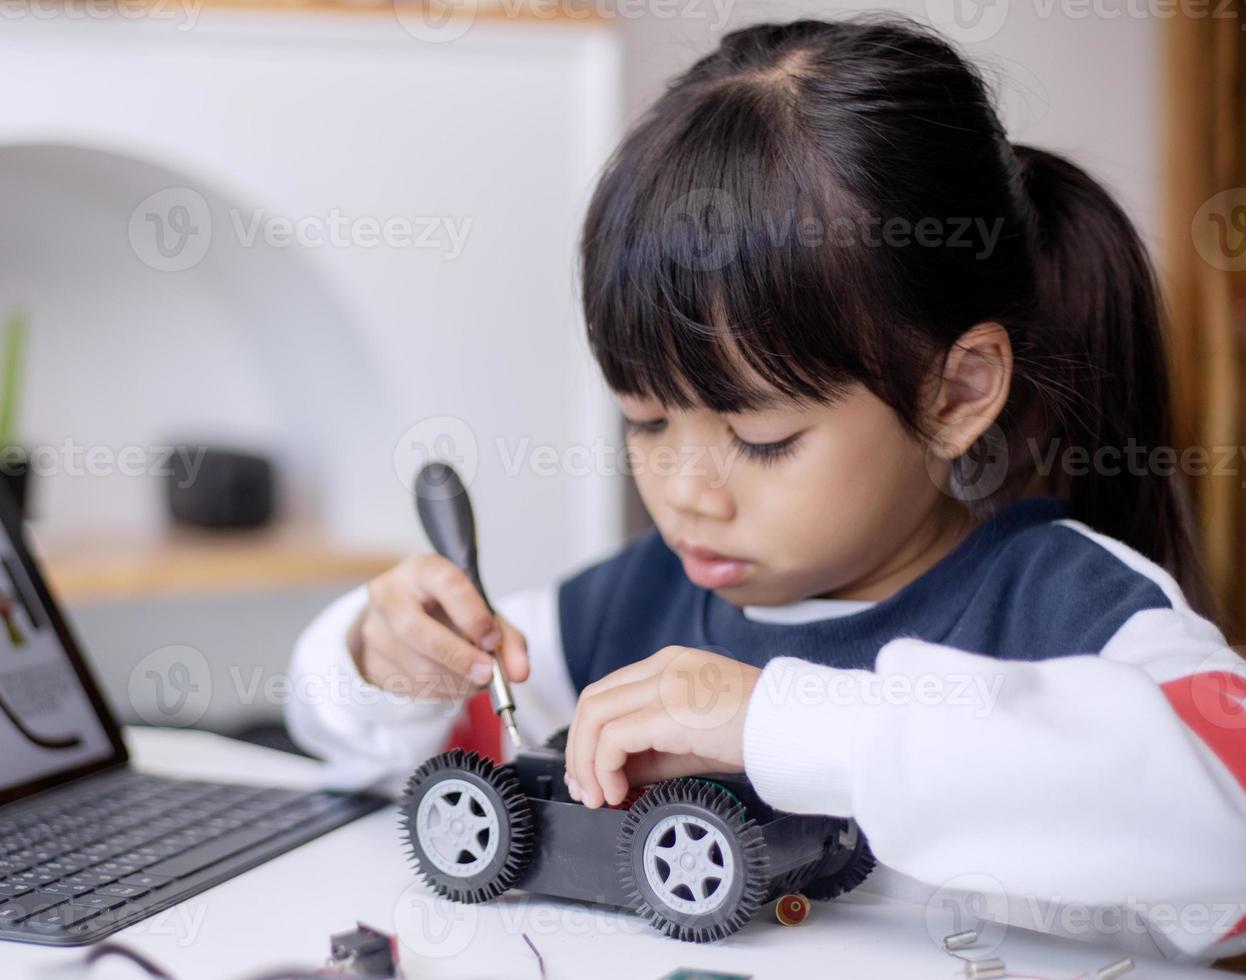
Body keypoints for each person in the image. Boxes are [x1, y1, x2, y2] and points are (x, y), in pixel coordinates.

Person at [284, 17, 1246, 963]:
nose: (687, 496)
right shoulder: (640, 604)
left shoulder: (1065, 609)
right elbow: (407, 750)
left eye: (762, 438)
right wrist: (385, 662)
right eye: (647, 422)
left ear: (956, 392)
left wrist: (778, 723)